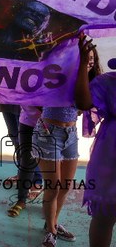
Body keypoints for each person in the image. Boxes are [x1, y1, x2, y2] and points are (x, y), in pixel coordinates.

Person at [75, 34, 116, 247]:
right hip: (110, 160)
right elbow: (84, 103)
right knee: (104, 217)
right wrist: (83, 65)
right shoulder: (109, 82)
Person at [35, 94, 81, 245]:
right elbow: (32, 96)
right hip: (48, 132)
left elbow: (82, 107)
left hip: (71, 133)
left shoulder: (88, 77)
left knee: (65, 186)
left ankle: (52, 223)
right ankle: (50, 231)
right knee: (53, 187)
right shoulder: (53, 71)